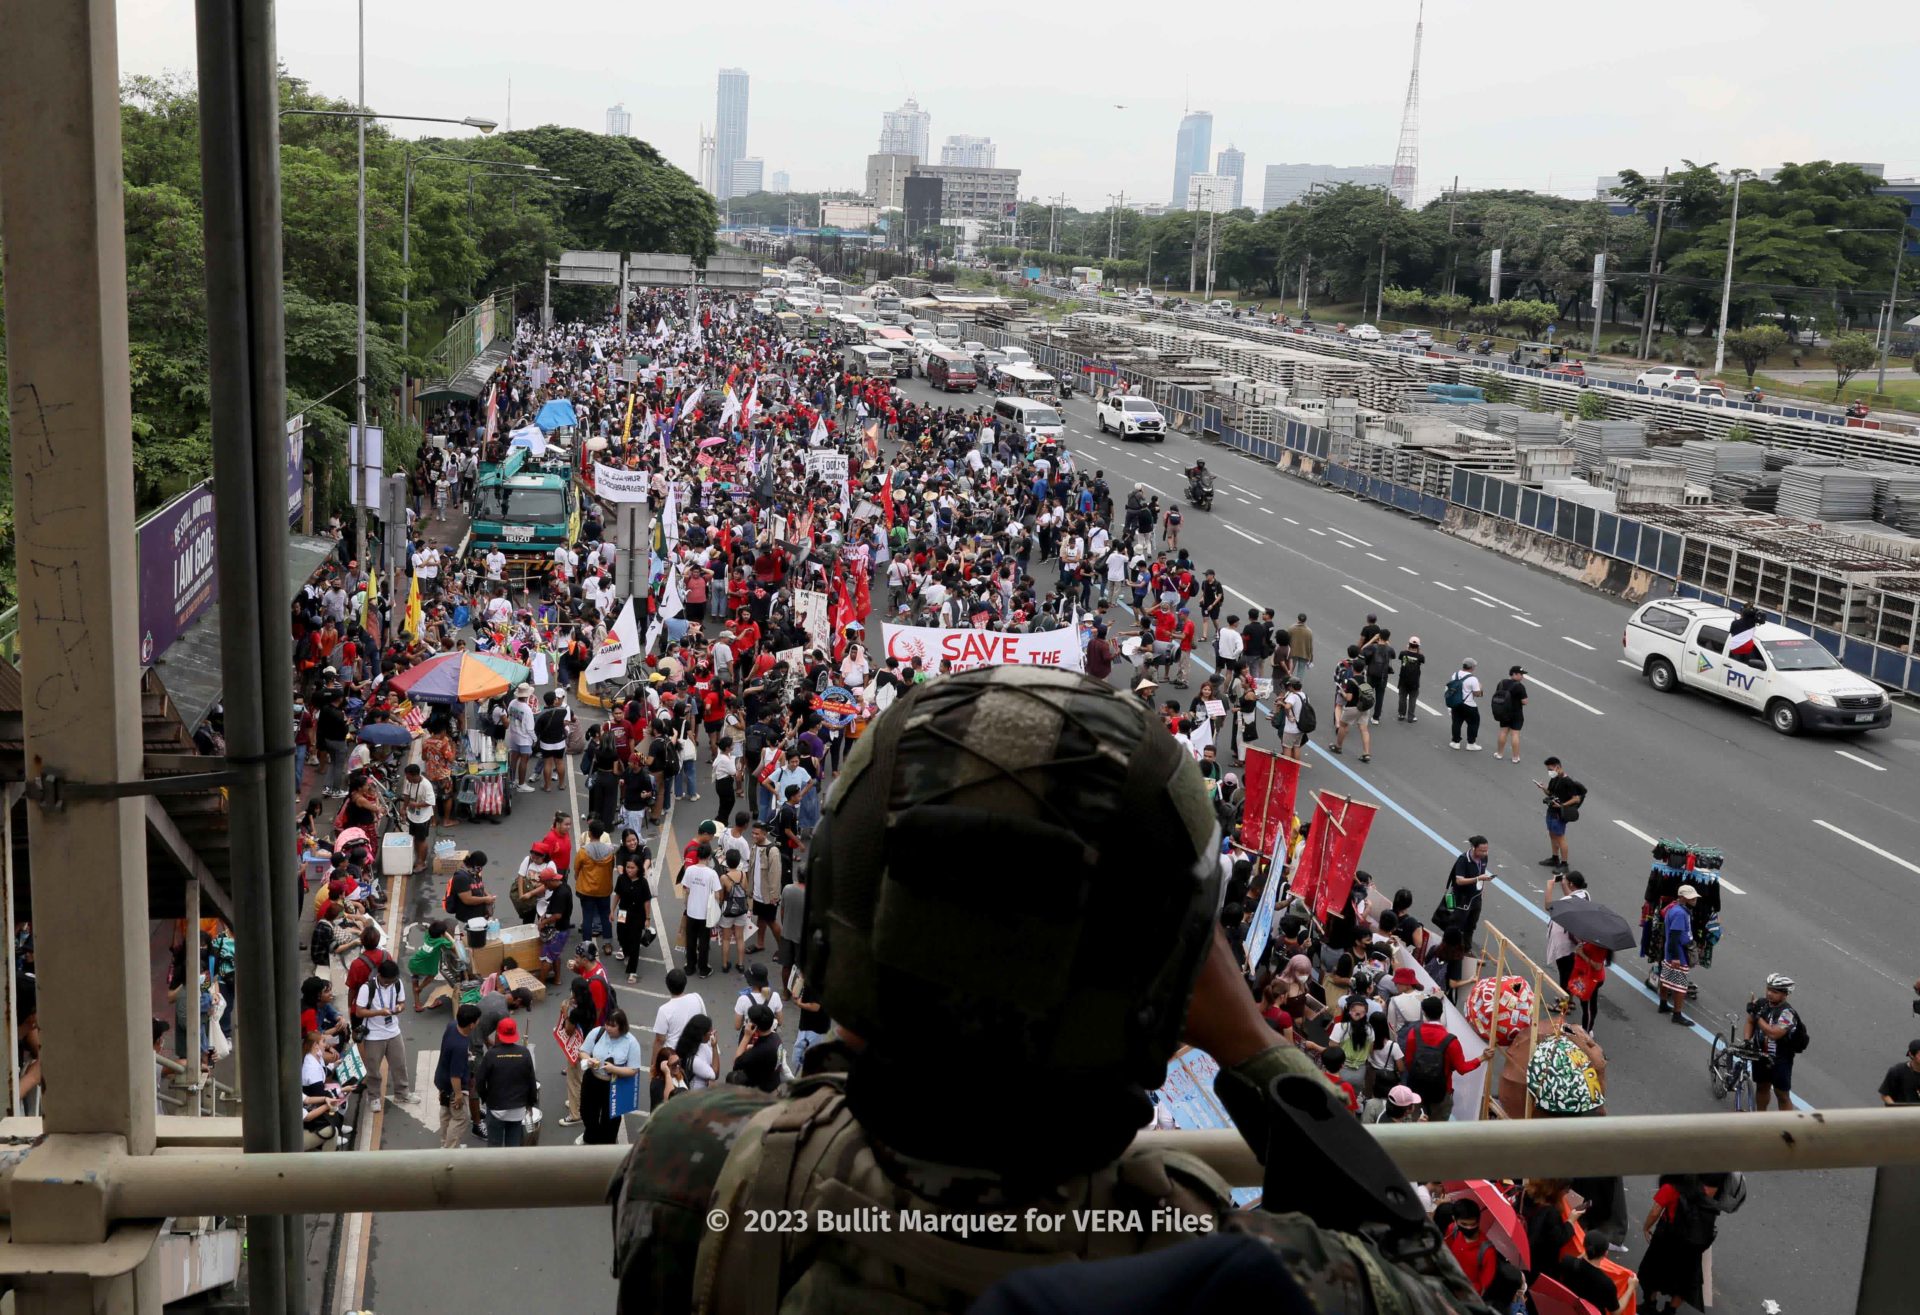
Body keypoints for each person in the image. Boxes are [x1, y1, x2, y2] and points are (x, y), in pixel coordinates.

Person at [611, 667, 1485, 1314]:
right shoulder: (1234, 1268)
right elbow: (1431, 1283)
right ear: (1174, 981)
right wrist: (1252, 1044)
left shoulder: (694, 1167)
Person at [1639, 1175, 1722, 1314]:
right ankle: (1670, 1311)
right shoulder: (1703, 1188)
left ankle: (1650, 1305)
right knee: (1684, 1280)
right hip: (1691, 1242)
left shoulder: (1670, 1188)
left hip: (1666, 1238)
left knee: (1650, 1272)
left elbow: (1655, 1212)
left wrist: (1646, 1227)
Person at [1399, 994, 1482, 1121]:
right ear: (1441, 1012)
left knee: (1416, 1127)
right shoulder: (1450, 1041)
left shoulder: (1413, 1034)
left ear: (1424, 1013)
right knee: (1438, 1130)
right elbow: (1462, 1068)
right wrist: (1481, 1058)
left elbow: (1409, 1062)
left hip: (1417, 1088)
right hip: (1441, 1092)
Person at [580, 1009, 646, 1146]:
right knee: (587, 1113)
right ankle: (591, 1137)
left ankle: (606, 1147)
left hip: (614, 1085)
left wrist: (614, 1069)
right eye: (607, 1024)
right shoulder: (598, 1032)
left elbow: (633, 1070)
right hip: (592, 1080)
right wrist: (589, 1060)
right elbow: (583, 1051)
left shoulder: (631, 1042)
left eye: (612, 1025)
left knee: (610, 1121)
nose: (608, 1028)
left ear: (621, 1027)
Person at [354, 958, 410, 1113]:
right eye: (386, 981)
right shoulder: (367, 988)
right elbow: (359, 1011)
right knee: (373, 1069)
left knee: (399, 1065)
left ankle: (402, 1092)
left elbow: (403, 1003)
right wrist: (379, 1012)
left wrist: (399, 1008)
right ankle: (374, 1098)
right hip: (373, 1035)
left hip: (393, 1031)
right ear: (379, 975)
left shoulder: (397, 984)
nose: (388, 984)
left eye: (391, 981)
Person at [473, 1016, 539, 1148]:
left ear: (498, 1034)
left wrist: (486, 1098)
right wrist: (530, 1103)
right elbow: (532, 1082)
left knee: (494, 1147)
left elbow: (479, 1082)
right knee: (513, 1147)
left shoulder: (491, 1055)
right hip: (517, 1110)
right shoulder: (524, 1053)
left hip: (496, 1109)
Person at [1743, 973, 1799, 1111]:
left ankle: (1786, 1126)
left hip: (1780, 1060)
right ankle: (1761, 1119)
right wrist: (1746, 1040)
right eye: (1768, 989)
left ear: (1785, 994)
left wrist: (1757, 1016)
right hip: (1760, 1055)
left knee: (1782, 1094)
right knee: (1761, 1087)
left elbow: (1774, 1033)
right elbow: (1750, 1021)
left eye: (1774, 991)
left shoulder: (1788, 1013)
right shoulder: (1761, 1004)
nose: (1769, 993)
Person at [434, 1003, 480, 1149]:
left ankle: (444, 1143)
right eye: (477, 1020)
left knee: (446, 1112)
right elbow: (455, 1076)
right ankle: (449, 1149)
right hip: (452, 1085)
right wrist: (459, 1094)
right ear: (471, 1025)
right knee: (461, 1118)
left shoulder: (452, 1026)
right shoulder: (460, 1046)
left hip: (441, 1078)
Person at [1657, 884, 1700, 1027]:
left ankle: (1663, 1004)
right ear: (1682, 898)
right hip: (1678, 952)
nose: (1694, 899)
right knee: (1680, 985)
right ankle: (1677, 1014)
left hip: (1670, 950)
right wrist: (1676, 957)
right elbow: (1675, 935)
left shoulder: (1673, 908)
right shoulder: (1681, 914)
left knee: (1665, 977)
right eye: (1690, 897)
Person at [1538, 756, 1585, 873]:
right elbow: (1551, 792)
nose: (1549, 772)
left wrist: (1562, 805)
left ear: (1557, 767)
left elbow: (1576, 799)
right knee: (1552, 834)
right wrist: (1543, 788)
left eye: (1550, 769)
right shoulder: (1555, 779)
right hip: (1551, 811)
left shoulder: (1567, 781)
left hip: (1559, 813)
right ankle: (1554, 858)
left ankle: (1564, 864)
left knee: (1560, 838)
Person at [400, 762, 437, 873]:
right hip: (412, 816)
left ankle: (422, 862)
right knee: (415, 838)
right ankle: (418, 859)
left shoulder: (426, 785)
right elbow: (406, 795)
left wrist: (417, 805)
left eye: (408, 776)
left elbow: (431, 802)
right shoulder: (409, 782)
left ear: (414, 775)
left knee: (421, 840)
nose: (406, 778)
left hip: (423, 818)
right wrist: (403, 808)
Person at [1490, 665, 1528, 762]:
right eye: (1521, 674)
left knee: (1503, 732)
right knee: (1515, 734)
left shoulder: (1502, 683)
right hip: (1516, 714)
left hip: (1503, 712)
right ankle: (1515, 757)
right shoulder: (1520, 686)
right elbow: (1525, 701)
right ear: (1514, 674)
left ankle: (1499, 753)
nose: (1522, 676)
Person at [1446, 657, 1483, 750]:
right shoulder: (1473, 679)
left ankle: (1455, 742)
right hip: (1469, 704)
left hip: (1456, 703)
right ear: (1472, 667)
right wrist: (1480, 687)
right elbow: (1477, 694)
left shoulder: (1455, 674)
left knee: (1456, 722)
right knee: (1473, 723)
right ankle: (1471, 743)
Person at [1878, 1039, 1920, 1105]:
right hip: (1903, 1113)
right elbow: (1885, 1095)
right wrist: (1896, 1110)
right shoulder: (1897, 1071)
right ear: (1911, 1055)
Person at [1394, 637, 1425, 722]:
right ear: (1418, 646)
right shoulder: (1420, 656)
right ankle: (1411, 717)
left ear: (1409, 644)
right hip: (1414, 681)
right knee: (1413, 699)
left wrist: (1407, 650)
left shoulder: (1403, 653)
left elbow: (1402, 659)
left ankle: (1401, 714)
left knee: (1402, 697)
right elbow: (1422, 661)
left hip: (1403, 680)